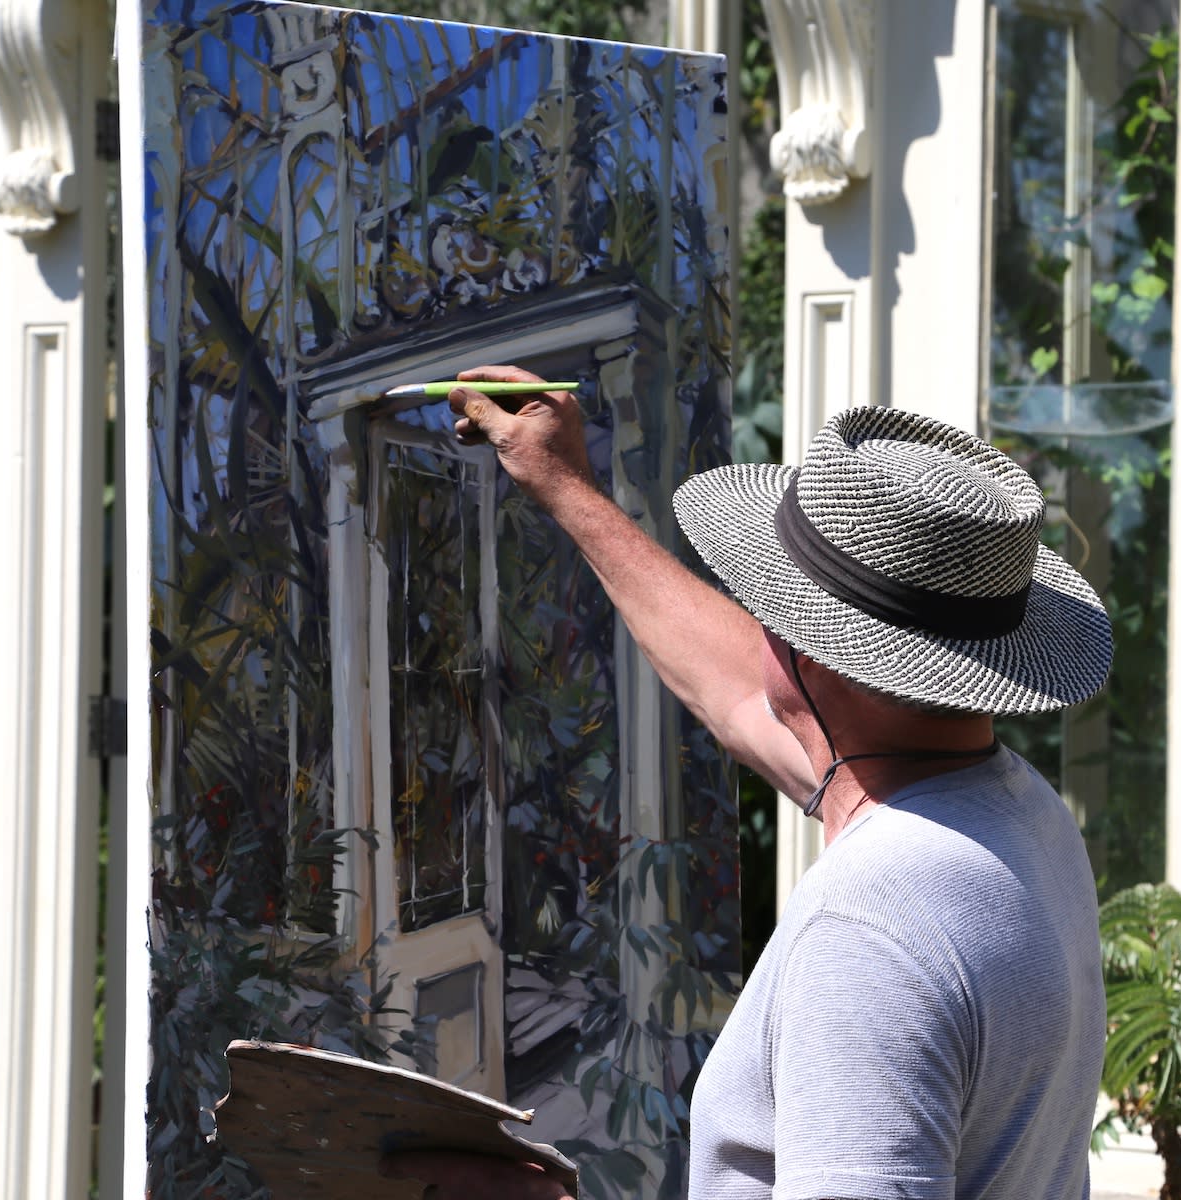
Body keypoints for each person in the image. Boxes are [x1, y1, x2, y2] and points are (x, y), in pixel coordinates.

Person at [380, 365, 1114, 1200]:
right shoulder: (1013, 816)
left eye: (770, 601)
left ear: (809, 659)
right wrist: (567, 487)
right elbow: (741, 692)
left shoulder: (870, 928)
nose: (757, 622)